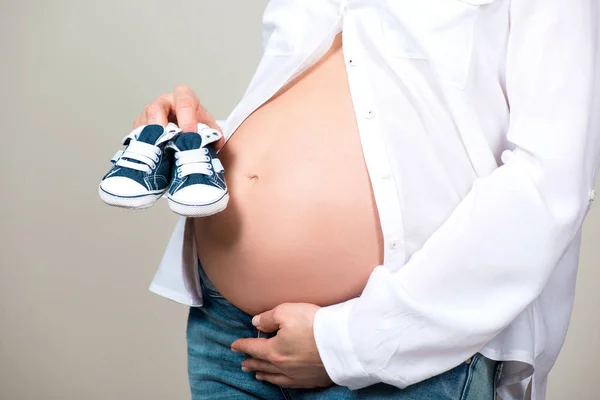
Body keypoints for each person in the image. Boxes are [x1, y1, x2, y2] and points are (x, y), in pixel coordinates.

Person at [136, 1, 599, 399]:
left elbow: (550, 178)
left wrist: (350, 343)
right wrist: (218, 145)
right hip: (227, 325)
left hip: (397, 340)